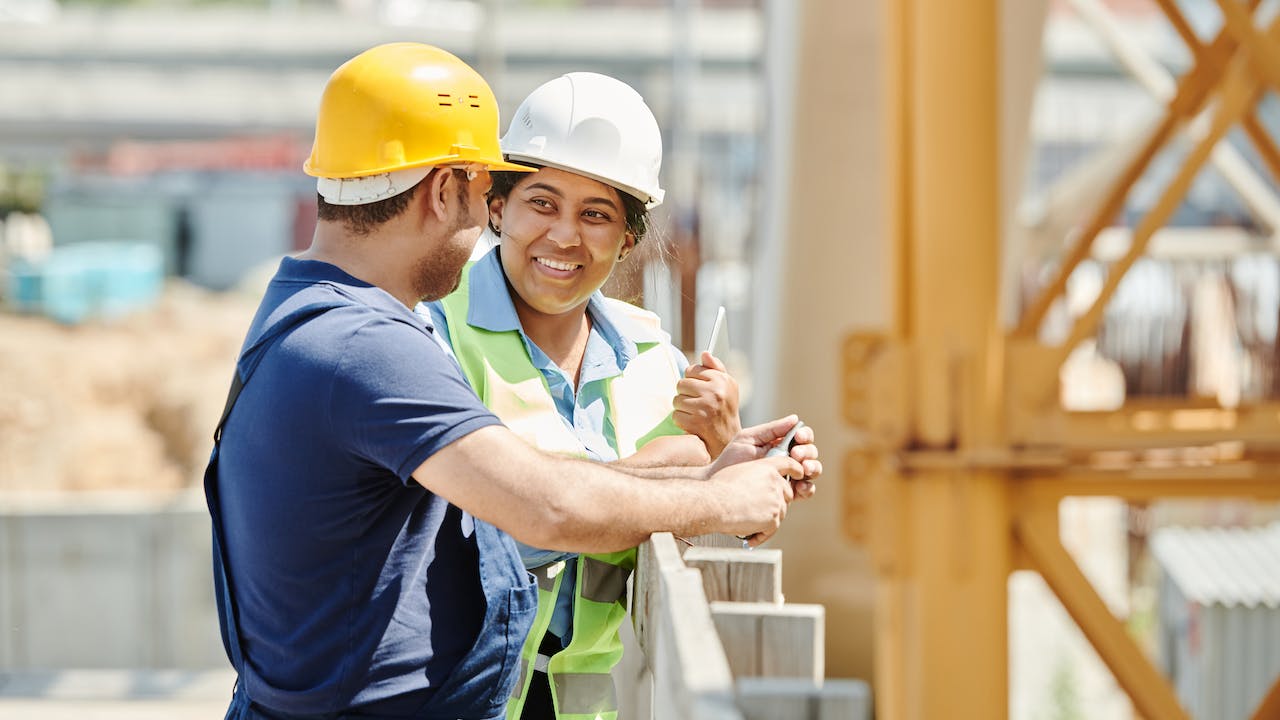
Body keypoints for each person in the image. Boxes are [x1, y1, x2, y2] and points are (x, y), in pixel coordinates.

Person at [204, 42, 821, 720]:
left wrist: (711, 472)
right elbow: (542, 507)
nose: (481, 225)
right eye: (483, 195)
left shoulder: (316, 316)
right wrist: (714, 498)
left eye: (595, 213)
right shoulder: (371, 347)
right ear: (445, 191)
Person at [424, 72, 746, 720]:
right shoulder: (434, 331)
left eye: (595, 214)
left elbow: (716, 526)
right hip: (449, 698)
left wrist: (727, 447)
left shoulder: (658, 362)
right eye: (542, 203)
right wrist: (662, 471)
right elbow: (486, 525)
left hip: (582, 706)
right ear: (498, 208)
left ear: (628, 237)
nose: (566, 236)